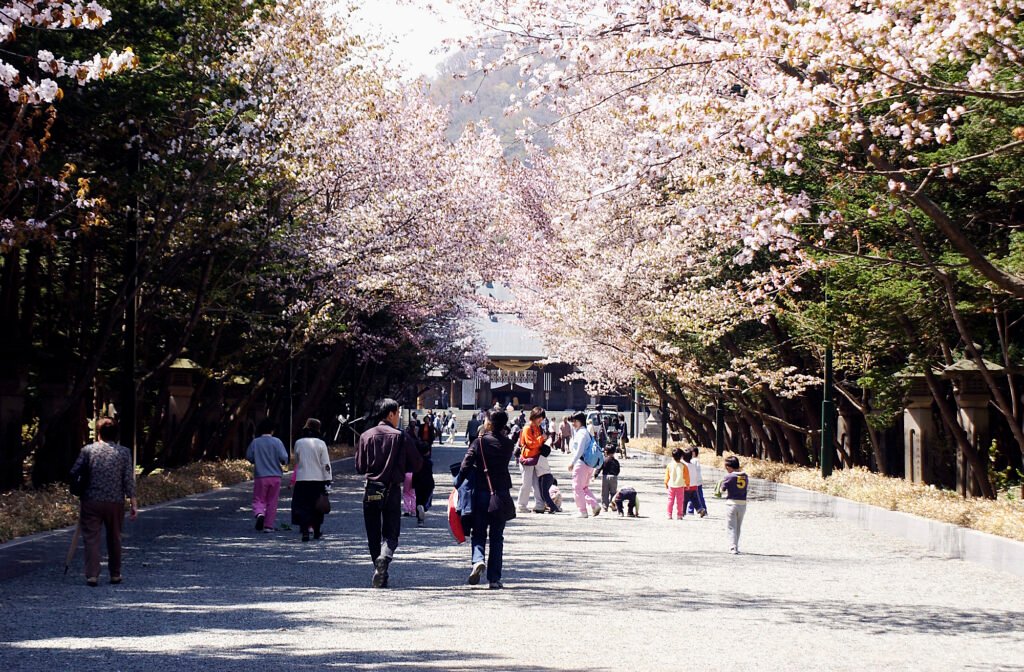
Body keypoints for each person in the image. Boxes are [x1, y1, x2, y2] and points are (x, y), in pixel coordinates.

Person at [356, 398, 424, 588]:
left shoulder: (366, 436)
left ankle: (378, 568)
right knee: (391, 532)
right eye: (398, 413)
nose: (399, 417)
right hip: (392, 489)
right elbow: (417, 463)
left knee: (372, 532)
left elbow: (360, 466)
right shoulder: (400, 436)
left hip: (371, 488)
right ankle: (384, 558)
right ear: (390, 414)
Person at [70, 417, 137, 587]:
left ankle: (92, 575)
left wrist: (80, 486)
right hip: (115, 502)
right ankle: (115, 574)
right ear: (116, 434)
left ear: (98, 433)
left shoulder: (88, 450)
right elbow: (128, 479)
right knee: (115, 537)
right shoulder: (124, 452)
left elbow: (74, 471)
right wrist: (133, 501)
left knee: (91, 538)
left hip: (91, 500)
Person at [456, 410, 515, 589]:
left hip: (482, 492)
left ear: (489, 422)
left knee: (479, 532)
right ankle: (494, 579)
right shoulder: (508, 444)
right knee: (497, 537)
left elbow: (465, 465)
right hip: (501, 494)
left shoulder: (479, 442)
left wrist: (457, 483)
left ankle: (478, 560)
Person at [290, 418, 332, 542]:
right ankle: (317, 531)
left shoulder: (298, 443)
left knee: (303, 506)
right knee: (317, 507)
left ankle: (304, 532)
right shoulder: (321, 443)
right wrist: (328, 480)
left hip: (302, 478)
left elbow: (297, 461)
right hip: (318, 479)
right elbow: (325, 463)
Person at [246, 417, 289, 532]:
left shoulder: (255, 442)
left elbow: (249, 457)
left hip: (261, 476)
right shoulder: (277, 442)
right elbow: (284, 458)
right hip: (276, 476)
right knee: (272, 501)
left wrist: (257, 460)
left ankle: (259, 513)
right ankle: (268, 526)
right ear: (272, 430)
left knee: (258, 499)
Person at [568, 411, 602, 518]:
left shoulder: (581, 433)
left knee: (577, 487)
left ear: (581, 422)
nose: (573, 423)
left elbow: (579, 450)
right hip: (588, 464)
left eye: (575, 421)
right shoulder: (585, 432)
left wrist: (572, 463)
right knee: (584, 487)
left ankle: (582, 511)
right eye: (572, 421)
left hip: (581, 463)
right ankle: (594, 505)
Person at [516, 407, 548, 513]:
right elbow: (531, 443)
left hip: (536, 458)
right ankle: (521, 505)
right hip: (528, 458)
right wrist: (541, 438)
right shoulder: (527, 427)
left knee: (536, 482)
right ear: (534, 416)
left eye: (542, 418)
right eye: (539, 417)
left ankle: (539, 504)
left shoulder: (537, 427)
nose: (541, 420)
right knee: (526, 483)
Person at [717, 455, 749, 553]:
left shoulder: (729, 476)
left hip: (731, 503)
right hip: (743, 504)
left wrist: (720, 486)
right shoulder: (745, 476)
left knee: (731, 526)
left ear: (729, 467)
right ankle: (736, 546)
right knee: (738, 526)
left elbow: (722, 491)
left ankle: (732, 547)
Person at [664, 448, 690, 520]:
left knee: (670, 500)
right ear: (681, 457)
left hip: (671, 485)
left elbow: (667, 475)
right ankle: (679, 515)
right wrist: (687, 484)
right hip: (680, 486)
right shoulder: (684, 466)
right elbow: (686, 476)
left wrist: (666, 483)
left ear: (672, 456)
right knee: (680, 501)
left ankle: (669, 514)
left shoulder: (669, 465)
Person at [535, 444, 561, 513]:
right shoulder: (544, 458)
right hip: (549, 476)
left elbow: (532, 463)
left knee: (544, 494)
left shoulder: (539, 458)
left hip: (544, 477)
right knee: (544, 494)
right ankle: (551, 506)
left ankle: (553, 507)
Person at [594, 446, 620, 511]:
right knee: (613, 492)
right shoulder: (616, 461)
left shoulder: (604, 460)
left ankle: (605, 507)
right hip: (614, 477)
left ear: (606, 452)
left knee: (604, 493)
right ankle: (612, 504)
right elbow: (618, 470)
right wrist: (615, 475)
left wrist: (595, 475)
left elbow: (599, 468)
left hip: (605, 477)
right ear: (614, 452)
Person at [686, 446, 708, 517]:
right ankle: (703, 509)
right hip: (698, 481)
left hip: (693, 482)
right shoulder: (695, 460)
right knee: (699, 496)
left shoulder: (693, 460)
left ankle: (690, 510)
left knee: (692, 496)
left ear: (693, 453)